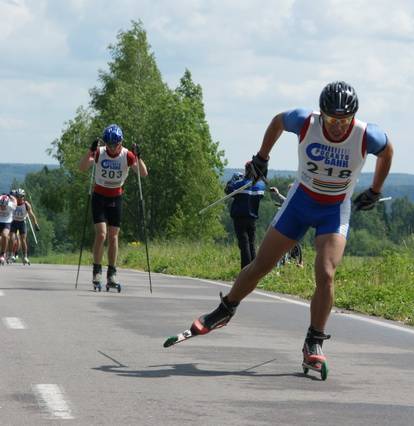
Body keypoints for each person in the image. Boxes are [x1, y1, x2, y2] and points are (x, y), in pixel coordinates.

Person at [189, 81, 394, 377]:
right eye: (332, 120)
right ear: (321, 114)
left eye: (344, 120)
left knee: (325, 274)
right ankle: (225, 309)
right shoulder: (305, 121)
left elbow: (387, 151)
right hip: (300, 201)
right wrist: (262, 157)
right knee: (262, 264)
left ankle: (314, 342)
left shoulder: (367, 134)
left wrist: (375, 189)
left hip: (334, 209)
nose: (338, 127)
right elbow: (277, 121)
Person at [78, 124, 148, 288]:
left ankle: (112, 273)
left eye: (115, 145)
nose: (112, 148)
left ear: (121, 142)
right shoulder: (100, 152)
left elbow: (143, 173)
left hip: (116, 197)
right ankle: (97, 270)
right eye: (109, 144)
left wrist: (138, 157)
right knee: (101, 234)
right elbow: (82, 168)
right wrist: (90, 151)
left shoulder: (126, 155)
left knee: (113, 235)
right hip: (99, 196)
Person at [225, 168, 266, 269]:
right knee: (251, 243)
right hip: (252, 218)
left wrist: (233, 180)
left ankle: (246, 269)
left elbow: (228, 190)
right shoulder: (260, 186)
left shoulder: (240, 184)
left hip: (240, 217)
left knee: (244, 244)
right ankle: (254, 269)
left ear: (246, 171)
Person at [9, 188, 40, 264]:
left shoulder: (26, 204)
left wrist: (35, 224)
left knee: (23, 240)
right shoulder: (13, 203)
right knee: (12, 238)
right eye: (17, 196)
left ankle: (25, 257)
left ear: (23, 197)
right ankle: (12, 254)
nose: (19, 198)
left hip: (22, 222)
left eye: (21, 196)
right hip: (14, 222)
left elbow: (32, 215)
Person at [0, 193, 18, 265]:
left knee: (5, 235)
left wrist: (10, 196)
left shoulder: (11, 205)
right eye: (1, 205)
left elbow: (15, 201)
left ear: (7, 203)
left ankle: (2, 254)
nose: (2, 207)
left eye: (4, 205)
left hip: (7, 222)